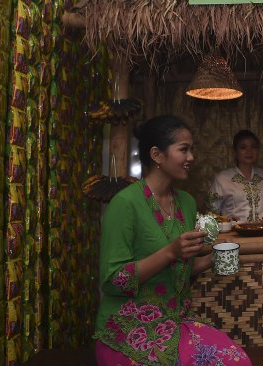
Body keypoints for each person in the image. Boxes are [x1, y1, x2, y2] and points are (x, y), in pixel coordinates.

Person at [93, 115, 251, 366]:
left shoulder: (186, 204)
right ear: (157, 155)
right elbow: (113, 281)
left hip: (173, 323)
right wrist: (170, 252)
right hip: (127, 329)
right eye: (184, 150)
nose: (191, 157)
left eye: (192, 149)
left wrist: (211, 259)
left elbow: (180, 270)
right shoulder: (124, 204)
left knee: (236, 361)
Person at [206, 130, 263, 222]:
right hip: (233, 234)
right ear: (235, 152)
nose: (249, 151)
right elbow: (211, 213)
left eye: (254, 147)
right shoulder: (222, 179)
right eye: (243, 147)